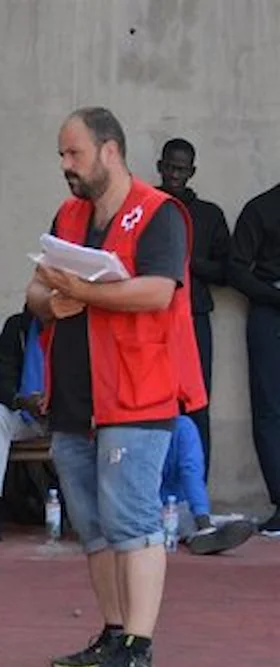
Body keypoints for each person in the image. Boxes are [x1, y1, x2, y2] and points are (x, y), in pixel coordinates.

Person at [27, 106, 203, 667]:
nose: (64, 166)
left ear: (110, 151)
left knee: (133, 520)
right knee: (94, 526)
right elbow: (36, 286)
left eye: (73, 154)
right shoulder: (70, 214)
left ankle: (140, 646)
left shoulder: (159, 215)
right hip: (76, 396)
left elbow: (158, 291)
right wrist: (52, 302)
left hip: (136, 395)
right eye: (60, 155)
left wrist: (84, 292)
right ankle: (112, 631)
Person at [156, 138, 230, 471]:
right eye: (169, 167)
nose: (174, 174)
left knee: (196, 404)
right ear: (160, 166)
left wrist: (187, 261)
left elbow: (227, 271)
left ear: (192, 172)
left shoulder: (210, 215)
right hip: (151, 318)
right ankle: (156, 493)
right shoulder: (148, 206)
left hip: (195, 318)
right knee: (154, 404)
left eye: (181, 169)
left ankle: (196, 493)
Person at [0, 305, 49, 545]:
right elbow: (1, 379)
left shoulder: (74, 327)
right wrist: (20, 400)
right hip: (25, 413)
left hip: (65, 417)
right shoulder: (18, 327)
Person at [230, 180, 280, 536]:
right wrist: (273, 296)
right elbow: (236, 269)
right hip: (269, 313)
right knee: (269, 409)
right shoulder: (260, 208)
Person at [160, 416, 256, 555]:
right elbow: (191, 471)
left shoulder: (181, 426)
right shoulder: (183, 426)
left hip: (160, 507)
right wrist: (202, 516)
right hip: (164, 507)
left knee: (177, 518)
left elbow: (191, 472)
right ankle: (205, 529)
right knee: (180, 518)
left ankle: (204, 530)